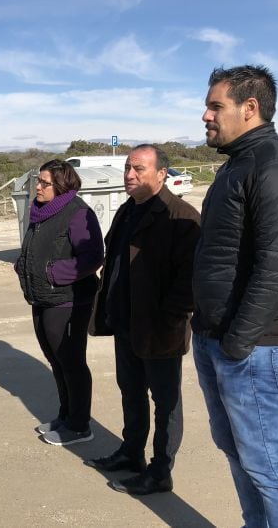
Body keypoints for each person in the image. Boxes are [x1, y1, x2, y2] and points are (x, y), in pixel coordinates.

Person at [193, 65, 278, 527]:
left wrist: (237, 343)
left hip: (251, 347)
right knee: (234, 450)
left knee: (266, 463)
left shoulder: (277, 168)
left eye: (215, 105)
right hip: (215, 335)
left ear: (250, 108)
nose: (205, 114)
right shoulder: (238, 164)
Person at [86, 144, 200, 496]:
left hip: (159, 328)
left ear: (162, 173)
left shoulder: (180, 216)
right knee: (130, 392)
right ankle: (131, 452)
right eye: (127, 168)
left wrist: (170, 318)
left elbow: (191, 278)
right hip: (125, 322)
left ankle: (160, 471)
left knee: (165, 403)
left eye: (139, 169)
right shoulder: (127, 211)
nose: (130, 175)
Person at [15, 159, 104, 445]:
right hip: (41, 297)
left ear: (61, 185)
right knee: (55, 359)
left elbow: (92, 258)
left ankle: (79, 426)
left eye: (44, 183)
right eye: (37, 182)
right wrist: (23, 266)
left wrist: (53, 273)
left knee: (71, 361)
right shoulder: (40, 212)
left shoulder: (78, 214)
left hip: (67, 301)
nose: (38, 187)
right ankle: (66, 416)